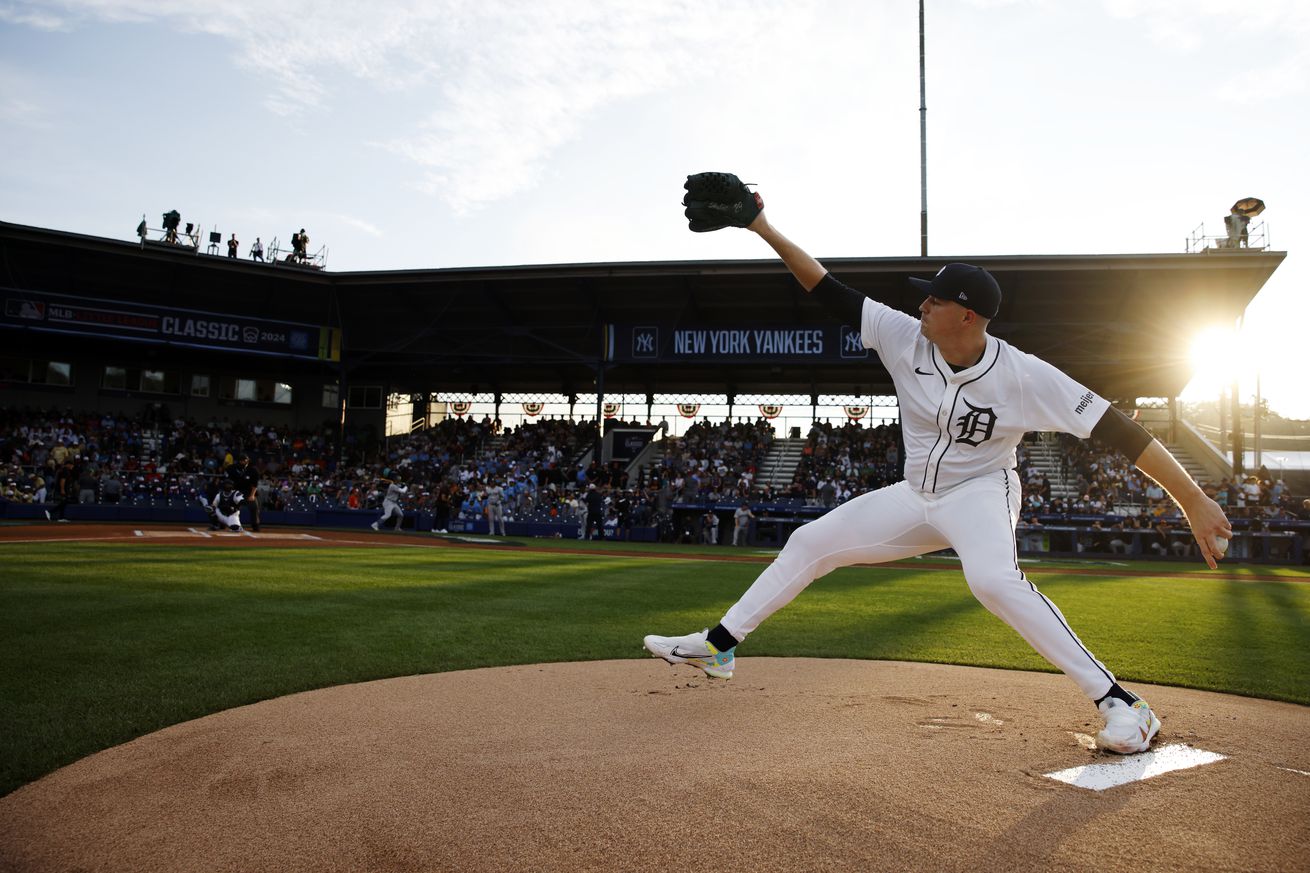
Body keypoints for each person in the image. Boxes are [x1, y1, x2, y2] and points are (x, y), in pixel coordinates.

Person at [644, 176, 1232, 756]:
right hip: (916, 495)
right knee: (808, 541)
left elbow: (1121, 431)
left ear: (969, 317)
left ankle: (1121, 704)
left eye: (936, 298)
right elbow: (826, 289)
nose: (921, 303)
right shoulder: (905, 336)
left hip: (981, 492)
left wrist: (1194, 500)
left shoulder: (1023, 375)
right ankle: (719, 645)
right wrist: (761, 226)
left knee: (992, 579)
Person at [226, 454, 260, 532]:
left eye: (244, 460)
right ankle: (229, 524)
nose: (243, 462)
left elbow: (255, 485)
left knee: (254, 507)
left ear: (247, 460)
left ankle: (255, 526)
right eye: (241, 460)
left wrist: (252, 495)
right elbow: (228, 476)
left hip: (249, 491)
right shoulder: (233, 468)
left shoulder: (253, 470)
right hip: (236, 491)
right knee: (229, 506)